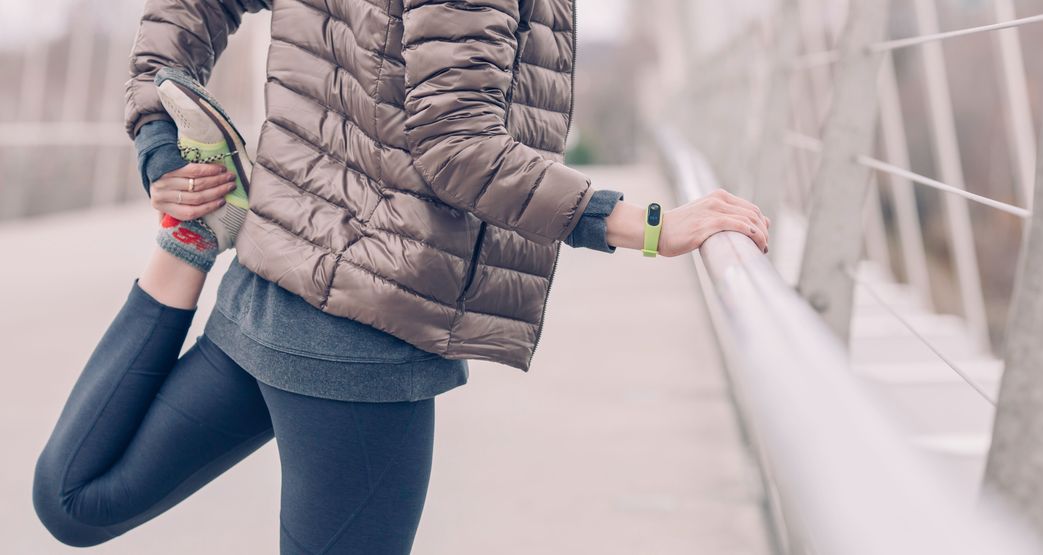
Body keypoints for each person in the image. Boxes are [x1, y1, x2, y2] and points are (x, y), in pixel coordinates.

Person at [32, 0, 770, 553]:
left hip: (264, 292)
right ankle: (200, 231)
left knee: (77, 497)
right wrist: (647, 226)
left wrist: (158, 137)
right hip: (361, 335)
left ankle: (193, 240)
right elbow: (457, 147)